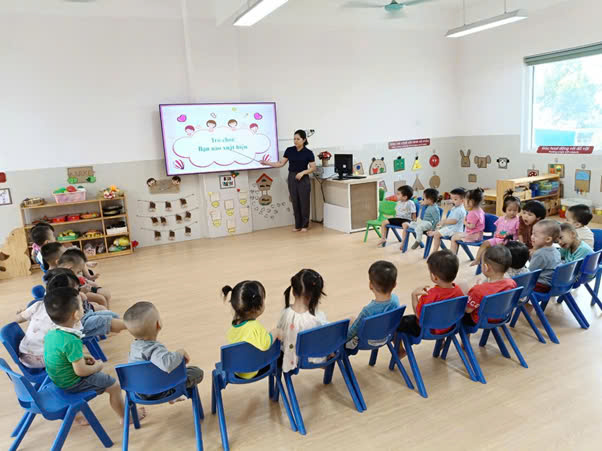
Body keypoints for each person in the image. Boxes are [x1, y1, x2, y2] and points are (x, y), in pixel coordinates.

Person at [43, 287, 146, 424]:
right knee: (114, 386)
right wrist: (98, 367)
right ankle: (126, 417)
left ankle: (77, 414)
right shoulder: (71, 340)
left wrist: (83, 357)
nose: (83, 308)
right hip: (72, 383)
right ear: (76, 315)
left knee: (104, 378)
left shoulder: (52, 332)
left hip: (57, 379)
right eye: (81, 306)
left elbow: (62, 355)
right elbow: (81, 371)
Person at [124, 301, 203, 401]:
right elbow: (168, 365)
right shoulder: (155, 349)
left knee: (154, 371)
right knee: (197, 372)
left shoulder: (134, 347)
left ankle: (169, 395)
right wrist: (180, 352)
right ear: (158, 324)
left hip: (140, 391)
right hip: (159, 391)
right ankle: (172, 394)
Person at [396, 250, 464, 357]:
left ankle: (400, 350)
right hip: (450, 327)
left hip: (428, 331)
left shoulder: (429, 295)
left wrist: (414, 296)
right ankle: (441, 340)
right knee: (443, 312)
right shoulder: (459, 291)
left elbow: (419, 317)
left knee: (398, 322)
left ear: (434, 277)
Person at [222, 280, 282, 379]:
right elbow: (265, 344)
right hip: (254, 370)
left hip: (237, 371)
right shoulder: (255, 327)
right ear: (257, 307)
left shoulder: (233, 328)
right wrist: (275, 332)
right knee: (278, 353)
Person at [260, 130, 316, 232]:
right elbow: (280, 163)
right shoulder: (289, 150)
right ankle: (297, 225)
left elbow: (313, 168)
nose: (295, 141)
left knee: (304, 202)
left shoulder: (308, 153)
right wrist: (267, 163)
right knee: (295, 201)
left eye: (298, 139)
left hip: (303, 178)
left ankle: (304, 225)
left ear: (304, 140)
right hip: (292, 177)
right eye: (294, 139)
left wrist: (303, 172)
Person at [45, 268, 126, 337]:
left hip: (84, 316)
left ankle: (121, 325)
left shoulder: (56, 296)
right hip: (78, 325)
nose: (78, 290)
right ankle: (127, 325)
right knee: (105, 320)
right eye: (77, 289)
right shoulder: (61, 303)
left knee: (111, 314)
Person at [277, 269, 328, 372]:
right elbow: (324, 339)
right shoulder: (316, 318)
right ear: (316, 296)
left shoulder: (285, 313)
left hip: (289, 358)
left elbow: (280, 337)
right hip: (313, 359)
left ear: (293, 291)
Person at [345, 261, 400, 350]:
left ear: (370, 285)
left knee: (351, 320)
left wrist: (340, 339)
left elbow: (352, 332)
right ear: (394, 285)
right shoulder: (395, 300)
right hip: (387, 336)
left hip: (367, 342)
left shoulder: (368, 311)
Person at [464, 246, 517, 328]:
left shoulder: (478, 290)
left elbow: (468, 310)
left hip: (480, 320)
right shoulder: (512, 283)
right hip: (501, 317)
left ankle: (466, 335)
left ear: (486, 267)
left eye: (481, 264)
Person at [471, 191, 521, 266]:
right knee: (485, 244)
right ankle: (477, 260)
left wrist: (511, 238)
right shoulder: (501, 219)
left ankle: (494, 265)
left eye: (515, 210)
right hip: (497, 238)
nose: (512, 212)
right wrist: (498, 236)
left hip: (509, 242)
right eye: (509, 210)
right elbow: (497, 230)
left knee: (494, 253)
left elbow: (519, 234)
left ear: (518, 210)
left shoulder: (517, 220)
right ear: (505, 209)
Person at [427, 188, 467, 253]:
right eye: (451, 198)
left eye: (455, 199)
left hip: (454, 230)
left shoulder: (459, 210)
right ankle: (435, 232)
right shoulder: (456, 207)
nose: (452, 201)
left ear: (462, 201)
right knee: (439, 229)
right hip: (452, 228)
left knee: (437, 234)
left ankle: (434, 251)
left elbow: (454, 221)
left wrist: (444, 221)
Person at [528, 219, 561, 293]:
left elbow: (530, 273)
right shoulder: (556, 250)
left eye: (535, 235)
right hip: (552, 284)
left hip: (541, 286)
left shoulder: (540, 254)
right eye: (532, 234)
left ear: (548, 239)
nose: (532, 237)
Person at [450, 188, 485, 255]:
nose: (464, 202)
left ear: (471, 201)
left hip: (472, 236)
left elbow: (471, 226)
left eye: (465, 200)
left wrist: (464, 222)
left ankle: (452, 255)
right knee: (457, 235)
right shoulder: (480, 210)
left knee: (454, 237)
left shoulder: (472, 213)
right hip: (479, 235)